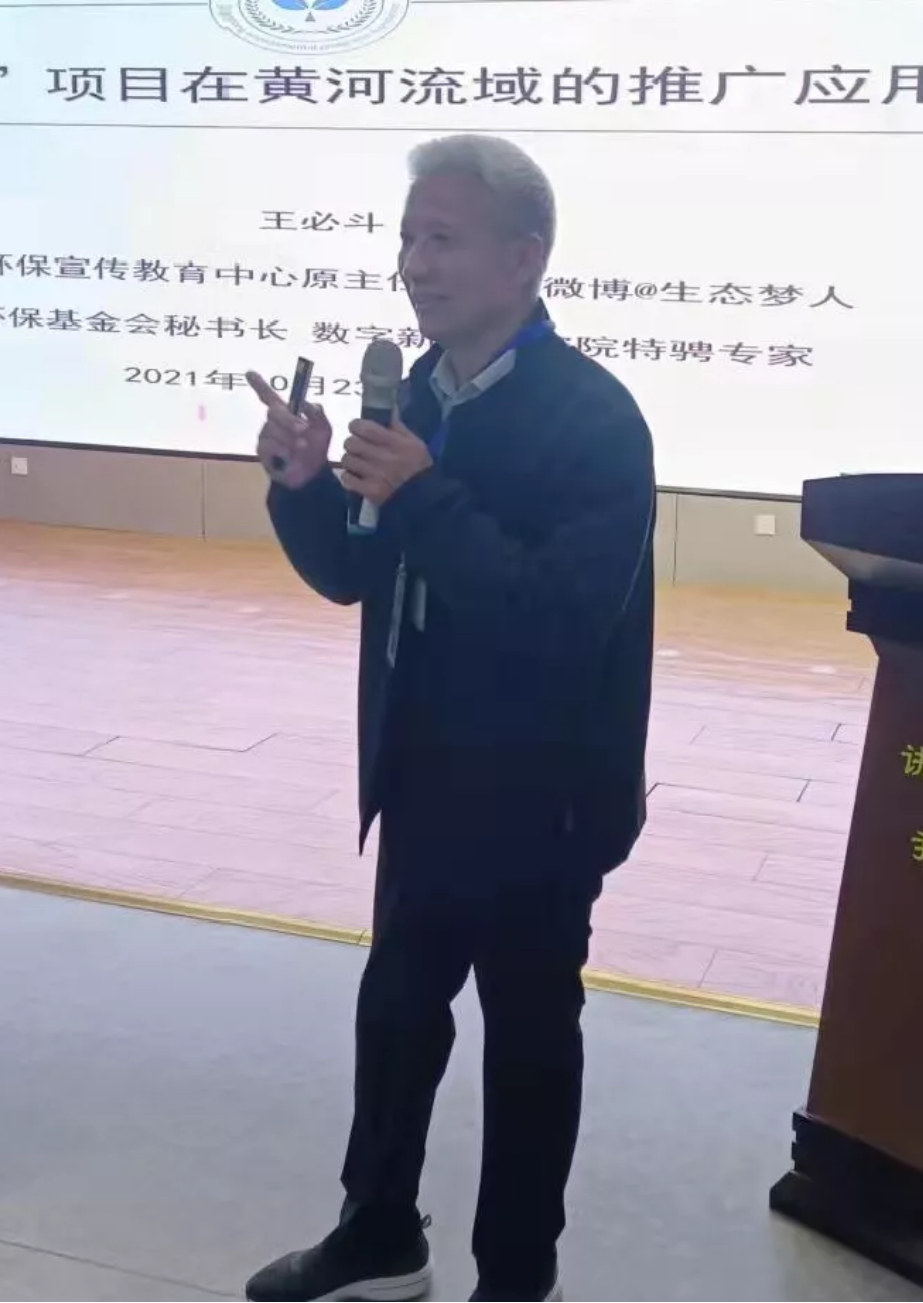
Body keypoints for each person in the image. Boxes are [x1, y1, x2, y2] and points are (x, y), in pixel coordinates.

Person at [242, 134, 656, 1303]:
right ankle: (378, 1231)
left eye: (441, 238)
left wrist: (422, 492)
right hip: (420, 773)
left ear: (525, 257)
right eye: (406, 237)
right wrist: (302, 487)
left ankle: (517, 1276)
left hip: (540, 799)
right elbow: (353, 571)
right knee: (395, 1015)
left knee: (527, 1042)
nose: (412, 263)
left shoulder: (595, 420)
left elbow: (555, 620)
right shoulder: (412, 394)